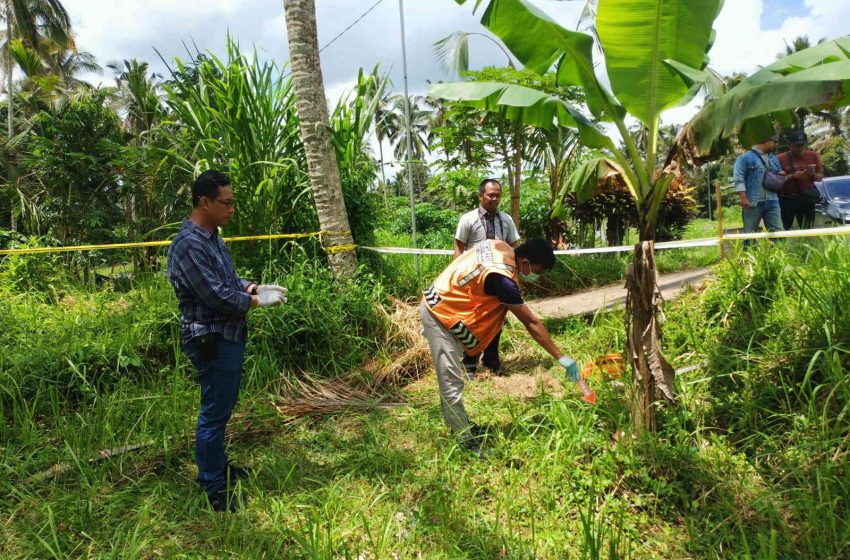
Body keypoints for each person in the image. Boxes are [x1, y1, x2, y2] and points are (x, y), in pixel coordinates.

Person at [167, 170, 287, 512]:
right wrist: (254, 302)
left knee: (221, 409)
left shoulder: (212, 237)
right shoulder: (189, 244)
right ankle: (212, 487)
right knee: (214, 412)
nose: (231, 209)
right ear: (204, 202)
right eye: (226, 203)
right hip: (211, 338)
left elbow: (228, 279)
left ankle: (217, 468)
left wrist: (251, 287)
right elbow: (215, 296)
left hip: (227, 335)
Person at [420, 238, 580, 457]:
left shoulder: (501, 246)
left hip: (446, 303)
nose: (536, 277)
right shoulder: (501, 279)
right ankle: (464, 440)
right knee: (451, 379)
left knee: (452, 377)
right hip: (440, 313)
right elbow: (532, 323)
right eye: (537, 271)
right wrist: (562, 357)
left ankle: (461, 423)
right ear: (524, 262)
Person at [453, 179, 520, 376]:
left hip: (500, 279)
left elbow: (515, 246)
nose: (494, 198)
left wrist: (515, 276)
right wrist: (458, 274)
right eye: (490, 195)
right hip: (475, 280)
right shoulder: (468, 219)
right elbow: (459, 247)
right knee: (475, 320)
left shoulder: (506, 219)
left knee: (496, 321)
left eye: (498, 195)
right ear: (480, 196)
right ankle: (470, 362)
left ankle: (492, 363)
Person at [733, 134, 785, 234]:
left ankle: (778, 250)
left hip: (772, 199)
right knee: (750, 235)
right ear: (766, 141)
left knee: (778, 233)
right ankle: (749, 250)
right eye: (775, 141)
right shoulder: (745, 158)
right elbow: (738, 178)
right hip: (752, 202)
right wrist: (743, 198)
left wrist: (780, 175)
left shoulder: (774, 158)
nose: (776, 144)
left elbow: (778, 174)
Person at [777, 130, 824, 230]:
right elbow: (775, 181)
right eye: (797, 145)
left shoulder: (813, 155)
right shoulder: (780, 158)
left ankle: (806, 245)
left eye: (803, 145)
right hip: (787, 199)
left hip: (807, 198)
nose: (800, 148)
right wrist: (792, 176)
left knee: (808, 228)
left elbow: (820, 177)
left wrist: (813, 175)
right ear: (789, 145)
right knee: (783, 228)